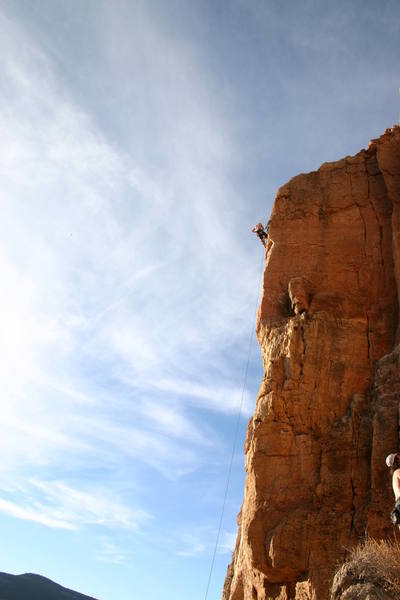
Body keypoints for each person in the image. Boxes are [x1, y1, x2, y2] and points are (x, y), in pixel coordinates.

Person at [386, 453, 400, 526]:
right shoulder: (398, 471)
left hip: (398, 506)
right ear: (397, 461)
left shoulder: (395, 474)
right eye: (399, 457)